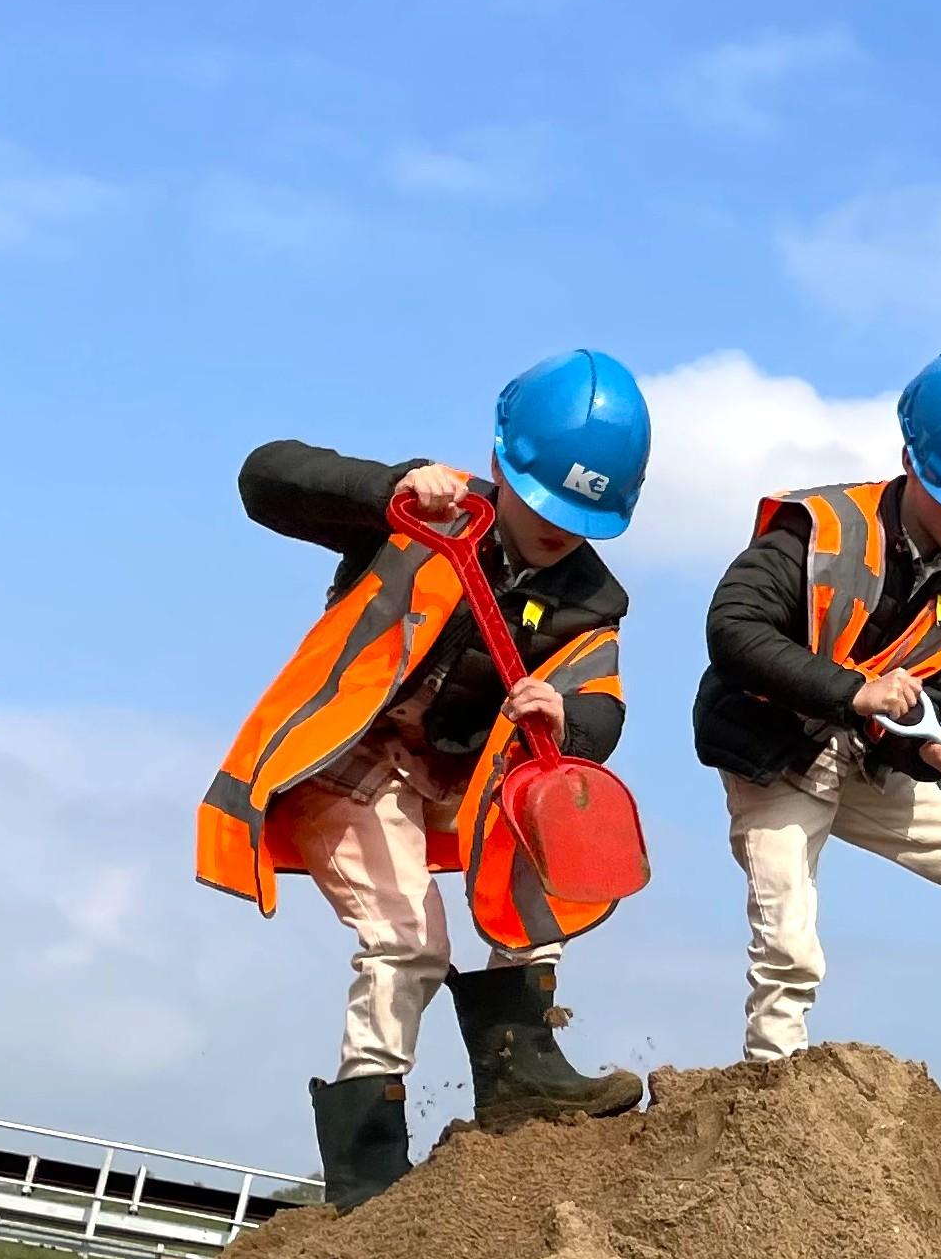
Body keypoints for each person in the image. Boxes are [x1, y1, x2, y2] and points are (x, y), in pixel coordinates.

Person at [196, 349, 649, 1209]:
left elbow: (604, 712)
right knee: (408, 942)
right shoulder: (419, 515)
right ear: (501, 465)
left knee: (547, 849)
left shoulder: (592, 600)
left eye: (580, 516)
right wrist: (389, 487)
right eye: (544, 502)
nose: (557, 528)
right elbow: (265, 478)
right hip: (350, 764)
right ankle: (368, 1158)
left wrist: (567, 716)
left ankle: (522, 1067)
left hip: (457, 782)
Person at [691, 344, 941, 1106]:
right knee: (789, 940)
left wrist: (936, 753)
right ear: (910, 461)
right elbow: (732, 631)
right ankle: (772, 1097)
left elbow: (921, 712)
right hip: (775, 754)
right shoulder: (818, 529)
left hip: (861, 764)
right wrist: (855, 692)